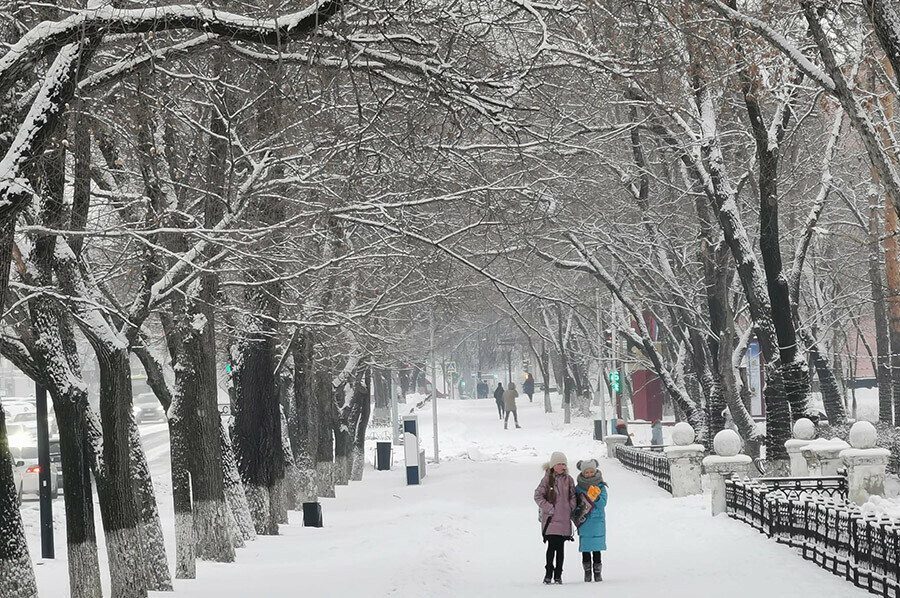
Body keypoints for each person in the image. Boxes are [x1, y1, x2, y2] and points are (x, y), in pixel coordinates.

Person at [534, 452, 576, 584]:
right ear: (553, 465)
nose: (562, 466)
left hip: (564, 519)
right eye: (559, 464)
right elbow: (538, 496)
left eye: (564, 464)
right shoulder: (547, 479)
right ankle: (548, 573)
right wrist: (549, 508)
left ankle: (558, 574)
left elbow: (573, 495)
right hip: (551, 520)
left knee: (560, 549)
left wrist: (571, 506)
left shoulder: (568, 479)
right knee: (552, 547)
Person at [572, 459, 608, 582]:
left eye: (591, 471)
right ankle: (587, 572)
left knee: (597, 547)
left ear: (595, 471)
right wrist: (578, 510)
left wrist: (596, 498)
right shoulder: (578, 488)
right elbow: (574, 502)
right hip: (585, 521)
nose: (589, 474)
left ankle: (597, 572)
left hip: (597, 521)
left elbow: (603, 503)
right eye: (586, 472)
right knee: (586, 547)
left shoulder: (601, 486)